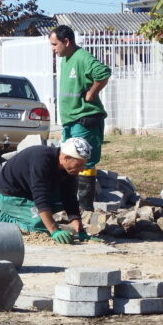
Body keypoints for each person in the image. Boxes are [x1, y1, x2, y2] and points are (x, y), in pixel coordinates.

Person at [49, 25, 112, 212]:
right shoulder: (66, 59)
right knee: (67, 158)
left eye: (55, 44)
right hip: (70, 121)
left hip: (85, 119)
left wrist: (92, 93)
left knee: (83, 159)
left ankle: (85, 209)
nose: (53, 49)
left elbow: (104, 73)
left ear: (66, 41)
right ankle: (68, 203)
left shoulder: (82, 58)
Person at [0, 138, 93, 244]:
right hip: (10, 196)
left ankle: (31, 215)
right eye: (78, 165)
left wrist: (80, 230)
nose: (81, 169)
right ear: (66, 158)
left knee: (60, 205)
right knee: (40, 228)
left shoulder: (69, 169)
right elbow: (40, 197)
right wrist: (54, 230)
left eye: (83, 165)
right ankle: (2, 217)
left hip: (30, 193)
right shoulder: (41, 160)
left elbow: (70, 198)